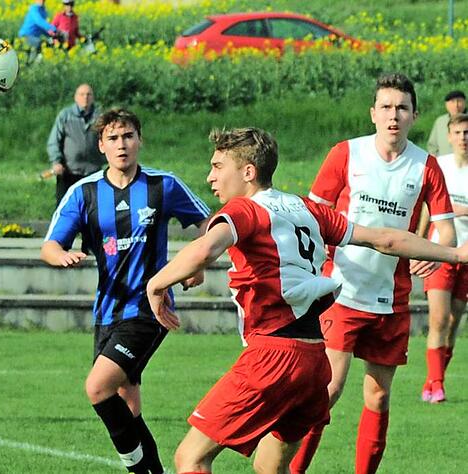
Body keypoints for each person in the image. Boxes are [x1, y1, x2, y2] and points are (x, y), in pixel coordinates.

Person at [144, 126, 468, 474]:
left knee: (190, 458)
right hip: (314, 361)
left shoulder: (245, 210)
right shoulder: (307, 209)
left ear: (248, 172)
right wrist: (457, 255)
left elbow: (206, 248)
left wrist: (157, 284)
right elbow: (385, 239)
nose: (210, 177)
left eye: (218, 166)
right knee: (271, 468)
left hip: (272, 356)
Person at [290, 73, 456, 474]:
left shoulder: (426, 166)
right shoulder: (346, 154)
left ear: (414, 115)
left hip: (392, 298)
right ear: (373, 114)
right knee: (327, 391)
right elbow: (310, 214)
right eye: (386, 107)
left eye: (401, 107)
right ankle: (292, 470)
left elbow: (446, 226)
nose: (393, 115)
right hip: (341, 291)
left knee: (378, 397)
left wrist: (437, 252)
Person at [41, 108, 210, 474]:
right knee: (126, 405)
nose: (122, 145)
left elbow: (209, 223)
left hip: (150, 310)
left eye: (128, 136)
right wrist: (62, 256)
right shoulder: (83, 193)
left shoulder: (163, 185)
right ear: (101, 146)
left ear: (139, 140)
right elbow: (50, 245)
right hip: (107, 312)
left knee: (97, 387)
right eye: (114, 138)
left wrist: (197, 265)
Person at [419, 113, 468, 404]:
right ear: (449, 136)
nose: (464, 137)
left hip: (466, 256)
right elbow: (429, 208)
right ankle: (436, 385)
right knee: (438, 319)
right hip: (440, 251)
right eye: (459, 132)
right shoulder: (441, 167)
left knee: (453, 320)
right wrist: (419, 241)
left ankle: (435, 380)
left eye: (467, 132)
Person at [46, 83, 103, 206]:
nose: (85, 97)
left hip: (93, 174)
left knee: (93, 210)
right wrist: (56, 162)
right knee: (66, 209)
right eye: (82, 94)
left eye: (88, 94)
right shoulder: (65, 115)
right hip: (69, 173)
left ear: (93, 97)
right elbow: (54, 141)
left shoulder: (100, 117)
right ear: (75, 97)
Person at [427, 90, 466, 156]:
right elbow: (432, 146)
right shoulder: (440, 121)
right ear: (446, 104)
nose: (456, 105)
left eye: (459, 101)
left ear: (464, 102)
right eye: (452, 102)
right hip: (444, 164)